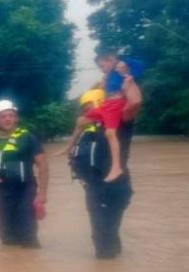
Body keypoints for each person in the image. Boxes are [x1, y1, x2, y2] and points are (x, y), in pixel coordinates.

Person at [72, 71, 142, 258]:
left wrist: (128, 79)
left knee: (104, 233)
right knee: (102, 233)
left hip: (114, 187)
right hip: (93, 188)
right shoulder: (87, 131)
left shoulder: (120, 121)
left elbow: (134, 102)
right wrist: (99, 84)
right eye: (84, 108)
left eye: (90, 106)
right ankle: (112, 267)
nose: (87, 111)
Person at [0, 100, 49, 248]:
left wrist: (42, 193)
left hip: (24, 191)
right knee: (6, 238)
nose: (8, 119)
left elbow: (43, 165)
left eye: (11, 115)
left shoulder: (28, 138)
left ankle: (30, 264)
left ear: (16, 118)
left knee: (27, 235)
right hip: (0, 192)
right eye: (4, 116)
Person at [59, 53, 142, 182]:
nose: (102, 69)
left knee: (110, 133)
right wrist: (101, 84)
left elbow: (139, 66)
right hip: (107, 105)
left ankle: (116, 167)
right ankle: (69, 147)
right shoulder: (108, 76)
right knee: (80, 121)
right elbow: (103, 89)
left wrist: (127, 75)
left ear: (111, 60)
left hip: (115, 105)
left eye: (102, 66)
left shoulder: (120, 67)